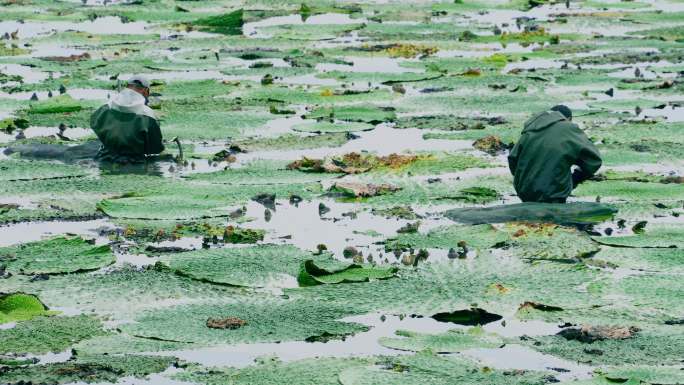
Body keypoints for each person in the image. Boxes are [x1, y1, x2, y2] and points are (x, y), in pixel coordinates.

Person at [508, 105, 602, 203]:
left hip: (524, 191)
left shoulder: (530, 129)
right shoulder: (568, 128)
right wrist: (575, 178)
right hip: (554, 193)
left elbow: (512, 159)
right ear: (568, 119)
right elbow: (594, 161)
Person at [90, 76, 164, 163]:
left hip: (105, 157)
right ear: (146, 91)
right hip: (136, 162)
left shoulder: (107, 106)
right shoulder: (148, 114)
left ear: (127, 88)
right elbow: (156, 148)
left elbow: (94, 123)